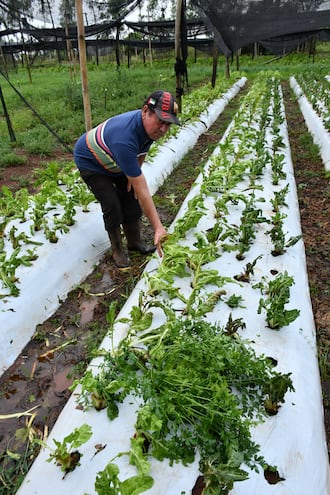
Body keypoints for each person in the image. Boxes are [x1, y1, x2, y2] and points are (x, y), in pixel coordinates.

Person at [73, 90, 181, 268]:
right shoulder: (124, 138)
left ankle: (134, 242)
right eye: (161, 121)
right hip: (91, 163)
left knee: (130, 196)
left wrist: (134, 172)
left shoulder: (149, 129)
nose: (163, 129)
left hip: (113, 158)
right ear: (145, 111)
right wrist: (158, 228)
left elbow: (142, 151)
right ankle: (117, 251)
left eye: (168, 124)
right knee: (112, 204)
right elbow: (143, 188)